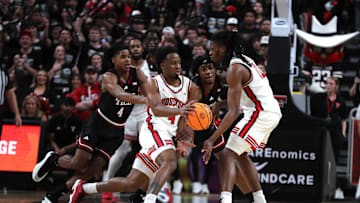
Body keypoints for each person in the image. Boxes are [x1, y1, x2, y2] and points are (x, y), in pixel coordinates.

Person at [68, 46, 200, 203]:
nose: (177, 66)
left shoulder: (189, 86)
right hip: (153, 130)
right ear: (162, 65)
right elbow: (156, 109)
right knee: (170, 162)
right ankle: (150, 199)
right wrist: (180, 110)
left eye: (179, 63)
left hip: (168, 135)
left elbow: (187, 117)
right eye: (173, 63)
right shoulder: (153, 84)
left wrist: (184, 138)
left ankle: (83, 188)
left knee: (131, 183)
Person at [32, 44, 148, 203]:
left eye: (128, 56)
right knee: (78, 162)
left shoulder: (138, 74)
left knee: (92, 172)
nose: (127, 59)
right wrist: (147, 100)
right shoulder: (108, 77)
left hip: (116, 131)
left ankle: (55, 195)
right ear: (113, 59)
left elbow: (152, 91)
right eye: (122, 56)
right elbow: (120, 94)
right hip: (97, 124)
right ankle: (53, 159)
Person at [201, 31, 282, 203]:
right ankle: (259, 200)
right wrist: (219, 104)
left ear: (223, 49)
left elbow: (234, 111)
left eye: (213, 49)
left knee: (227, 155)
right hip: (267, 111)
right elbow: (245, 95)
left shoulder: (235, 69)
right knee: (240, 154)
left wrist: (211, 139)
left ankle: (226, 199)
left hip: (261, 113)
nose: (210, 52)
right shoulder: (245, 60)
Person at [104, 37, 151, 183]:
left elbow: (153, 91)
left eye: (138, 46)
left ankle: (158, 186)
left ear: (142, 49)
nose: (136, 49)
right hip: (127, 113)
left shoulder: (149, 67)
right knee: (122, 150)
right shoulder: (117, 72)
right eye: (132, 47)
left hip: (144, 112)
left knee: (151, 147)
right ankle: (106, 181)